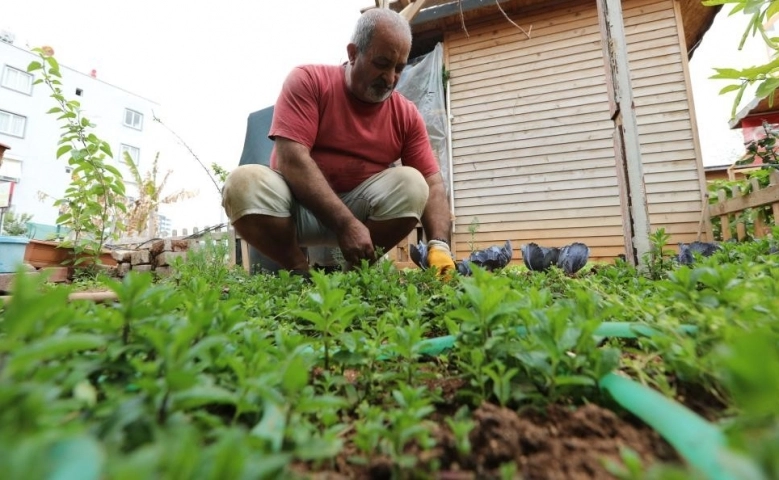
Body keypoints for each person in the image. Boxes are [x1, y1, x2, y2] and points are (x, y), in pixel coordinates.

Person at [221, 8, 456, 277]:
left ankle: (353, 276)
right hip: (297, 207)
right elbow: (291, 159)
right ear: (353, 53)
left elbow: (432, 181)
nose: (391, 78)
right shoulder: (309, 81)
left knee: (414, 183)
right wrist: (345, 224)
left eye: (399, 68)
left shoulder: (406, 114)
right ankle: (299, 271)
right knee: (241, 183)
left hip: (361, 211)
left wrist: (439, 245)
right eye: (381, 63)